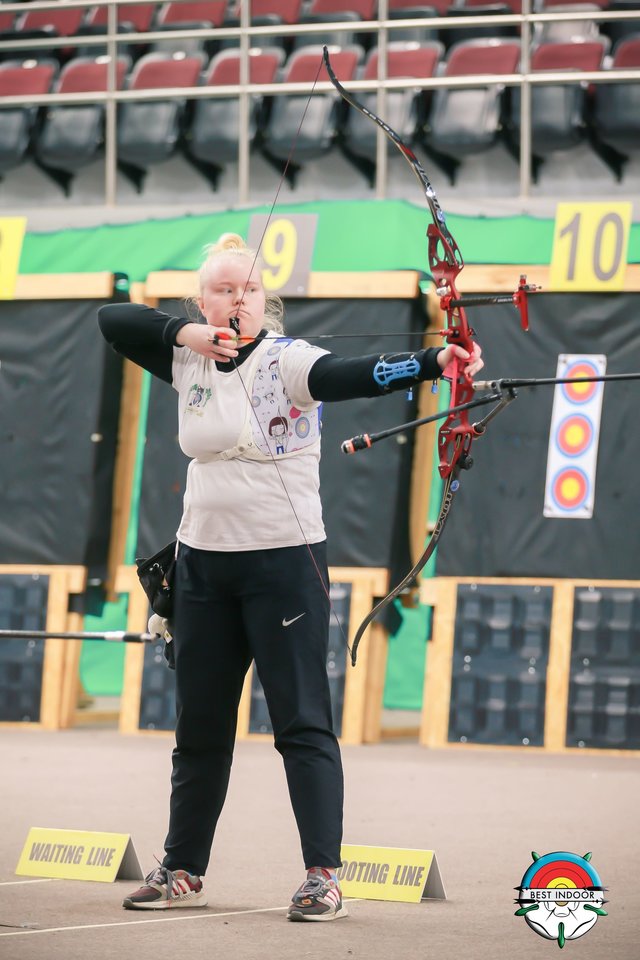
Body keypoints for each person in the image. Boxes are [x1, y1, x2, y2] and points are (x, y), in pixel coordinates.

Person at [97, 233, 483, 923]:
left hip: (283, 564)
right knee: (200, 728)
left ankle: (322, 875)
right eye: (222, 289)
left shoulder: (289, 361)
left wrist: (435, 359)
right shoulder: (186, 357)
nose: (236, 299)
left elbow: (358, 373)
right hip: (203, 566)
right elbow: (112, 320)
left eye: (248, 289)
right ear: (202, 300)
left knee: (302, 722)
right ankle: (183, 867)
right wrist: (189, 333)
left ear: (264, 300)